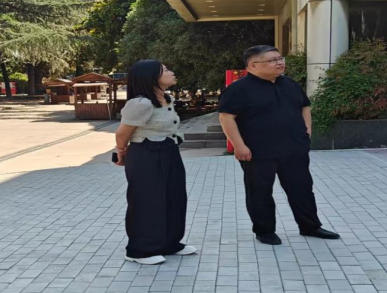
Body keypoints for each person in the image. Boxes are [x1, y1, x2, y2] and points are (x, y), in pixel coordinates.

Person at [218, 45, 340, 245]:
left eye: (280, 58)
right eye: (272, 60)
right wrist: (239, 145)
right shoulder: (238, 89)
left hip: (294, 148)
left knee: (302, 189)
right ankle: (265, 231)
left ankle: (310, 226)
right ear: (253, 65)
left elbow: (305, 107)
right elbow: (226, 117)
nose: (279, 63)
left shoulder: (289, 84)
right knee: (260, 192)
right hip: (257, 151)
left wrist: (306, 133)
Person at [113, 60, 198, 264]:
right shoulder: (141, 103)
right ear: (151, 77)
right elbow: (122, 133)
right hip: (146, 153)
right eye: (165, 70)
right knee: (147, 200)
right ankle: (139, 250)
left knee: (174, 197)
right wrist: (121, 152)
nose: (171, 72)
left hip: (169, 150)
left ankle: (169, 243)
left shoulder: (167, 99)